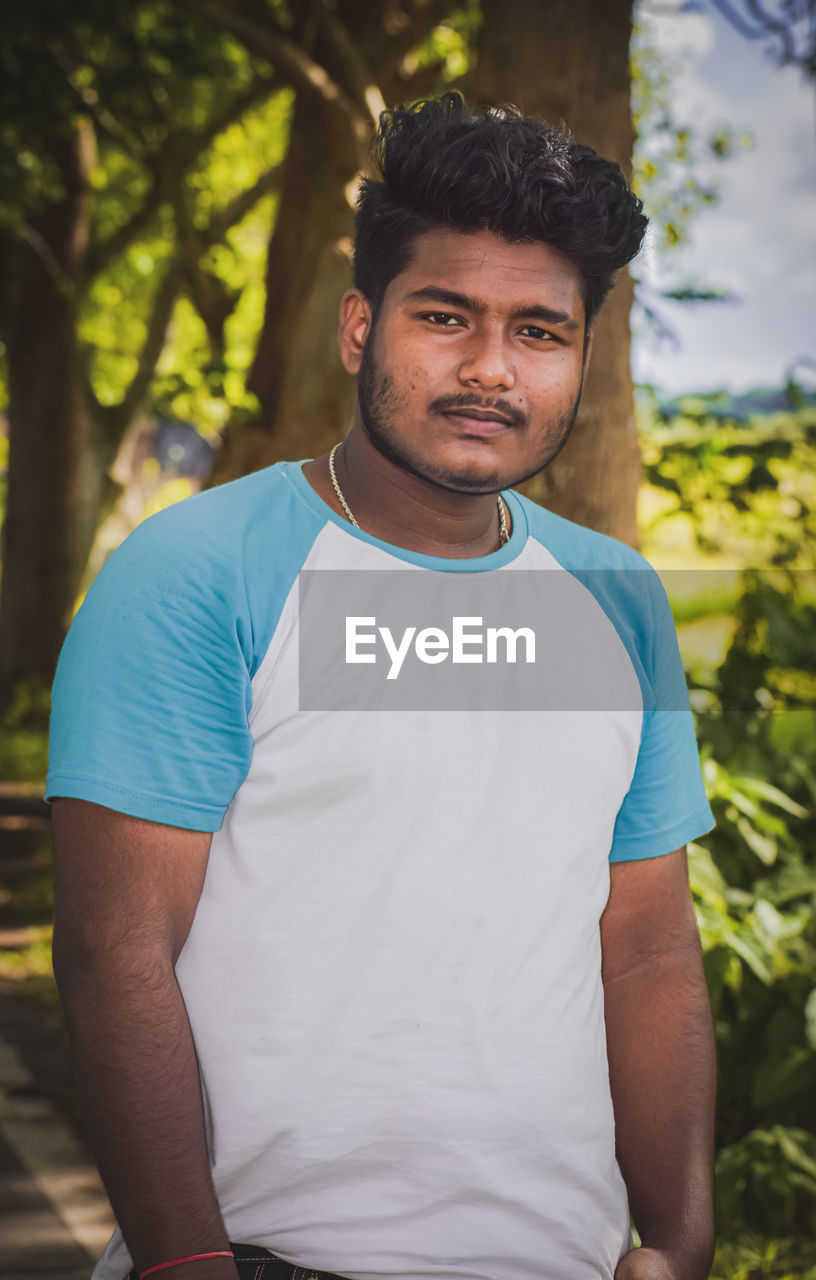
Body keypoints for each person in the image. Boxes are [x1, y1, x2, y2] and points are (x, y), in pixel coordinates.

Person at [48, 93, 717, 1280]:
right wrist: (185, 1260)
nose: (488, 370)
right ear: (360, 326)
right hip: (265, 1253)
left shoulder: (616, 599)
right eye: (444, 317)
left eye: (538, 332)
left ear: (581, 354)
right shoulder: (202, 569)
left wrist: (677, 1236)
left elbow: (649, 947)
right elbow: (115, 945)